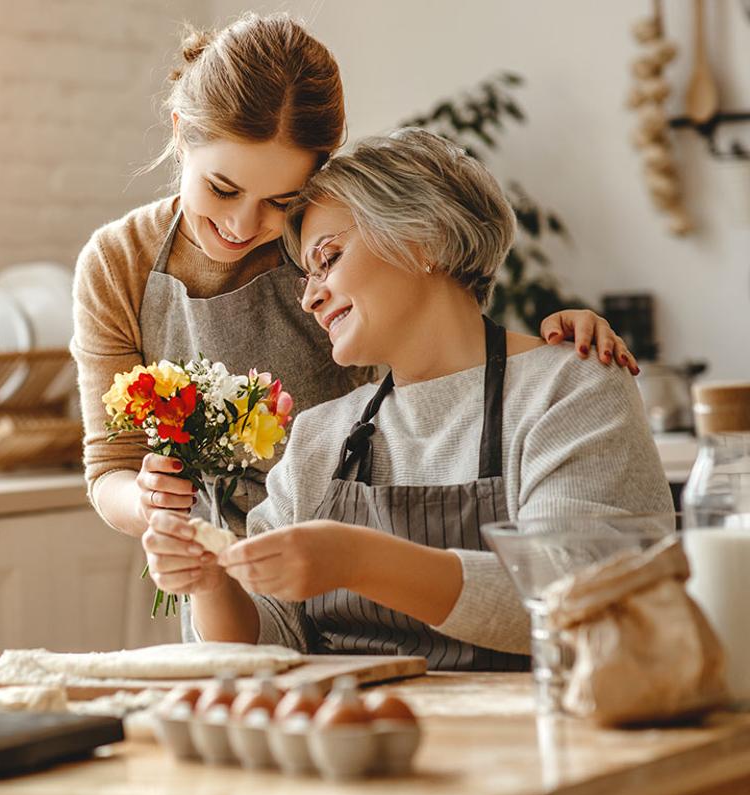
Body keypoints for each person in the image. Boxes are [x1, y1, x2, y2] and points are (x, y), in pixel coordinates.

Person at [71, 14, 636, 546]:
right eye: (222, 189)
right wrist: (151, 502)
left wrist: (546, 355)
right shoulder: (119, 264)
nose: (243, 225)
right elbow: (110, 466)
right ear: (179, 133)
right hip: (218, 571)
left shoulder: (334, 238)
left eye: (281, 200)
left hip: (357, 551)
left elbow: (438, 369)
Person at [142, 128, 674, 666]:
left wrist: (357, 559)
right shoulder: (320, 436)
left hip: (535, 735)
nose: (309, 297)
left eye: (328, 258)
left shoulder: (569, 388)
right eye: (306, 274)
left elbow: (578, 597)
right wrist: (211, 583)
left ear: (424, 239)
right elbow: (268, 639)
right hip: (360, 739)